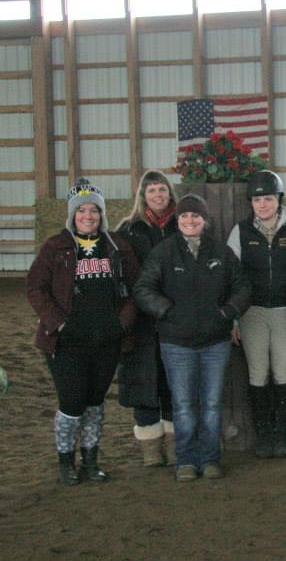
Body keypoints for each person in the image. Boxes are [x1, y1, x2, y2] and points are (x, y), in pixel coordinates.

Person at [27, 179, 140, 485]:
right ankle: (66, 462)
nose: (88, 216)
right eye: (82, 211)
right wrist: (59, 322)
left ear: (102, 214)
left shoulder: (117, 246)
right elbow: (35, 288)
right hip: (66, 342)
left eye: (94, 210)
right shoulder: (56, 247)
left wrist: (122, 323)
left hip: (106, 340)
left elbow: (136, 288)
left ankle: (91, 461)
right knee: (71, 402)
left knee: (94, 401)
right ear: (72, 215)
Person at [134, 195, 251, 481]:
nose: (190, 221)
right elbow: (143, 288)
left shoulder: (221, 253)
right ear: (178, 219)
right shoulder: (163, 252)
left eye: (195, 216)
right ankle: (185, 461)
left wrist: (227, 313)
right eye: (185, 216)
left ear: (204, 220)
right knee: (183, 405)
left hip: (215, 342)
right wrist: (167, 311)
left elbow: (243, 287)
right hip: (176, 343)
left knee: (211, 405)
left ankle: (210, 459)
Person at [226, 170, 286, 459]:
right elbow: (231, 275)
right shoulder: (240, 232)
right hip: (252, 312)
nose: (263, 204)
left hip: (285, 311)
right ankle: (264, 435)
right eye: (257, 200)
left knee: (282, 372)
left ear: (278, 200)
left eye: (268, 198)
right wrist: (233, 317)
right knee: (258, 373)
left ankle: (281, 435)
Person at [115, 170, 179, 467]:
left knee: (172, 381)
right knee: (142, 382)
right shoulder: (128, 230)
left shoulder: (183, 224)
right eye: (152, 190)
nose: (157, 195)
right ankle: (150, 447)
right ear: (143, 196)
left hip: (174, 317)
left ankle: (174, 442)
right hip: (139, 320)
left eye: (162, 190)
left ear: (169, 193)